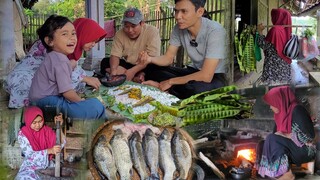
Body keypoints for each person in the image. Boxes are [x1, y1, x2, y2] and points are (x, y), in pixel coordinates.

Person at [4, 17, 107, 108]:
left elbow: (66, 67)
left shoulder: (72, 48)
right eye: (92, 40)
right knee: (77, 78)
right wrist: (84, 80)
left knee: (77, 72)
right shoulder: (55, 46)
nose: (94, 44)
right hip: (32, 71)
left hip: (50, 69)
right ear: (83, 35)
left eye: (96, 41)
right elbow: (58, 68)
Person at [139, 0, 228, 99]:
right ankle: (172, 89)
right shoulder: (178, 29)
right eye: (176, 11)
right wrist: (150, 59)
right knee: (151, 68)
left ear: (200, 12)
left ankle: (163, 87)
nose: (177, 16)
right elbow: (168, 59)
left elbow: (206, 75)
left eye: (184, 11)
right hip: (194, 72)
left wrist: (170, 81)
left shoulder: (215, 31)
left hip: (215, 76)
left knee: (196, 90)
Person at [29, 15, 106, 120]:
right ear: (49, 41)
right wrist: (81, 102)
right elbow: (67, 92)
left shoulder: (53, 56)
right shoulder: (60, 60)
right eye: (65, 34)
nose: (72, 37)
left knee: (90, 104)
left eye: (74, 33)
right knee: (96, 106)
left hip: (40, 101)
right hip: (46, 103)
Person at [256, 86, 316, 180]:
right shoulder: (279, 115)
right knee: (262, 144)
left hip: (305, 150)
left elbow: (309, 137)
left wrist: (286, 135)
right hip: (291, 148)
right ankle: (275, 173)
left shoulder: (298, 110)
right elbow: (275, 136)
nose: (270, 107)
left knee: (271, 139)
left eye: (272, 104)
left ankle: (288, 175)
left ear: (279, 100)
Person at [100, 7, 161, 82]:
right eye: (126, 26)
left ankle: (135, 75)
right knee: (105, 62)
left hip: (146, 65)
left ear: (142, 23)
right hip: (129, 65)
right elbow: (115, 55)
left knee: (157, 69)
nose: (130, 30)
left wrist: (132, 71)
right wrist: (113, 71)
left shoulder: (152, 31)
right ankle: (135, 78)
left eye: (133, 26)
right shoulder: (119, 34)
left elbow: (151, 58)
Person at [15, 106, 66, 180]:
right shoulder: (23, 134)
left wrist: (60, 127)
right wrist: (49, 151)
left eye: (40, 121)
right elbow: (30, 155)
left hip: (47, 165)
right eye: (34, 122)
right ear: (28, 121)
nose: (38, 125)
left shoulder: (47, 131)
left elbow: (60, 144)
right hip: (30, 166)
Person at [257, 8, 292, 85]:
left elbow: (264, 45)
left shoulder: (275, 30)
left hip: (273, 68)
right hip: (284, 67)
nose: (272, 18)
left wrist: (260, 31)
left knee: (272, 90)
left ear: (277, 17)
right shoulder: (287, 30)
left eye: (273, 16)